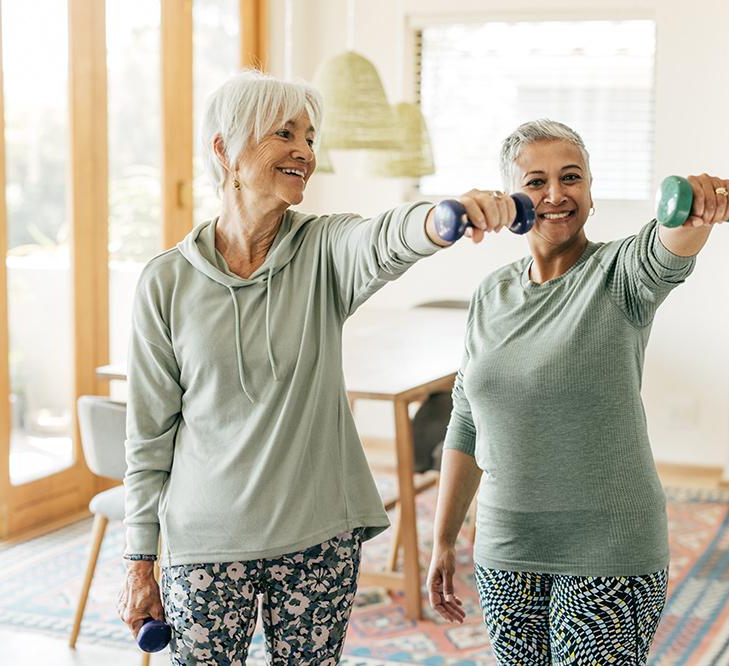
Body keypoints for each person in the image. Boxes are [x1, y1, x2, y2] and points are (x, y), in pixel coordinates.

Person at [116, 70, 514, 665]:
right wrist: (139, 559)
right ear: (225, 150)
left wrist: (444, 217)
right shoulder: (166, 282)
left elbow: (383, 239)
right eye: (285, 133)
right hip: (205, 541)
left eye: (310, 136)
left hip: (317, 538)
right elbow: (148, 437)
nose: (305, 151)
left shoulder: (324, 250)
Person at [426, 119, 729, 665]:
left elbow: (670, 244)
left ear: (590, 193)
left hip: (609, 550)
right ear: (513, 199)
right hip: (506, 549)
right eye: (536, 181)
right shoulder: (492, 293)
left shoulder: (620, 273)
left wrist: (694, 206)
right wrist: (444, 538)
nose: (555, 194)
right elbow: (467, 419)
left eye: (571, 178)